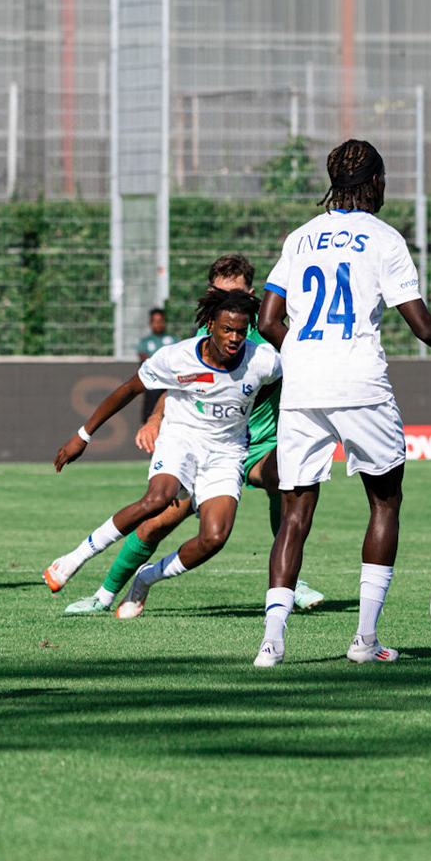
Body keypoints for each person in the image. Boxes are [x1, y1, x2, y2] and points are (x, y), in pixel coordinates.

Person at [253, 138, 431, 667]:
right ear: (376, 181)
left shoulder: (300, 238)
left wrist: (305, 354)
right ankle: (364, 640)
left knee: (294, 513)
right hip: (359, 382)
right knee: (384, 501)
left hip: (303, 386)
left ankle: (271, 643)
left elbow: (268, 320)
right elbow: (422, 325)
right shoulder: (384, 239)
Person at [51, 254, 328, 616]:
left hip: (252, 445)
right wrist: (153, 419)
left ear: (251, 295)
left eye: (232, 294)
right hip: (192, 441)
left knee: (287, 478)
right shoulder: (200, 339)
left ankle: (291, 580)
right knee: (156, 518)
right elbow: (177, 384)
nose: (226, 307)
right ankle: (104, 594)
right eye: (217, 293)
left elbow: (303, 371)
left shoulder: (269, 337)